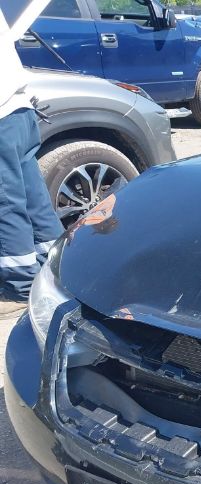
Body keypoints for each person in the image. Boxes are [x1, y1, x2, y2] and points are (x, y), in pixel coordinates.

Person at [0, 2, 64, 317]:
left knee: (6, 203)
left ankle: (20, 286)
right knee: (33, 198)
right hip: (20, 109)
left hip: (1, 116)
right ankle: (56, 266)